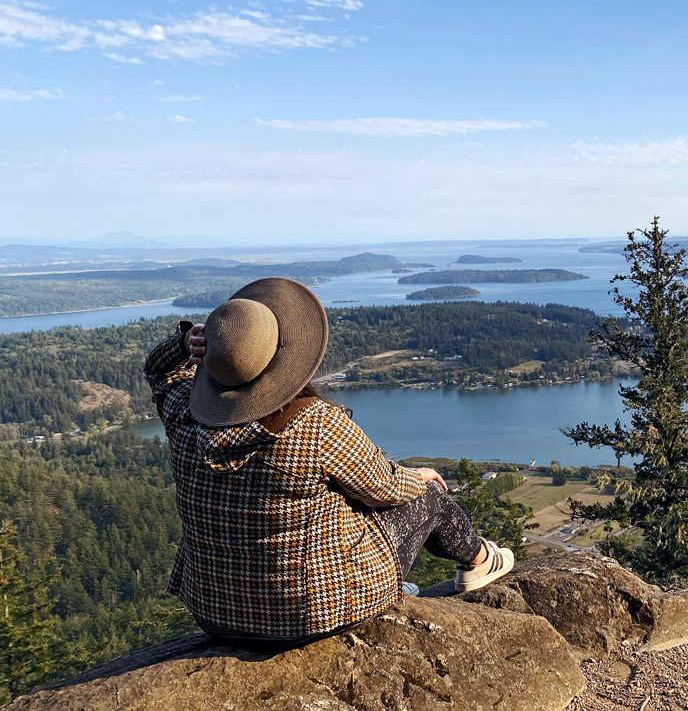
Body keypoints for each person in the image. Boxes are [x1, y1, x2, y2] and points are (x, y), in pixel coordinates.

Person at [144, 276, 514, 646]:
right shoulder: (315, 424)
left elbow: (157, 372)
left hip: (216, 614)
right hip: (310, 615)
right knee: (428, 497)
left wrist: (180, 345)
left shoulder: (182, 414)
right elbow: (385, 487)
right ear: (287, 358)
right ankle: (479, 561)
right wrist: (421, 476)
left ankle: (387, 583)